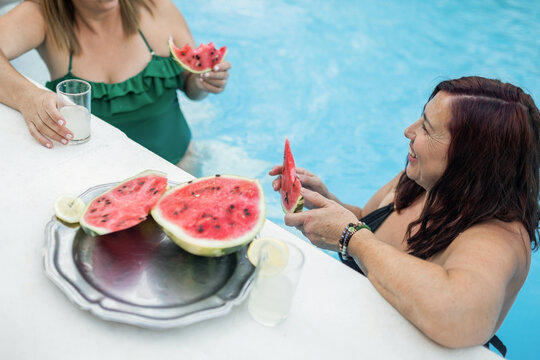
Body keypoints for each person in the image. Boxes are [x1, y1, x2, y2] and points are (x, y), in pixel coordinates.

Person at [270, 76, 540, 353]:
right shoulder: (420, 178)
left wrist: (351, 237)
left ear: (470, 157)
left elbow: (459, 318)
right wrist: (326, 203)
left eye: (427, 128)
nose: (408, 131)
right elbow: (366, 218)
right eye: (420, 118)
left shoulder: (499, 237)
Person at [0, 0, 230, 174]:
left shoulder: (155, 7)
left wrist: (201, 83)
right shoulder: (42, 14)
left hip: (180, 165)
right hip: (101, 179)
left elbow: (191, 85)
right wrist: (27, 96)